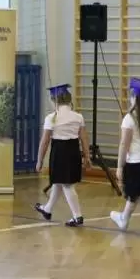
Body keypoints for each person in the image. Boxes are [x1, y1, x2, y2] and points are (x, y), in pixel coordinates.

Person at [34, 84, 92, 227]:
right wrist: (87, 156)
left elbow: (45, 141)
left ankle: (77, 216)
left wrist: (39, 160)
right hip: (73, 151)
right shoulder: (78, 117)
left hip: (59, 153)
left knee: (67, 185)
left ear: (55, 100)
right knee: (59, 182)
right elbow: (84, 138)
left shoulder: (51, 118)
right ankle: (47, 209)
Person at [110, 77, 140, 237]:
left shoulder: (129, 118)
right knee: (136, 193)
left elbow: (124, 144)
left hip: (136, 163)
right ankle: (124, 218)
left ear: (134, 98)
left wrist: (119, 166)